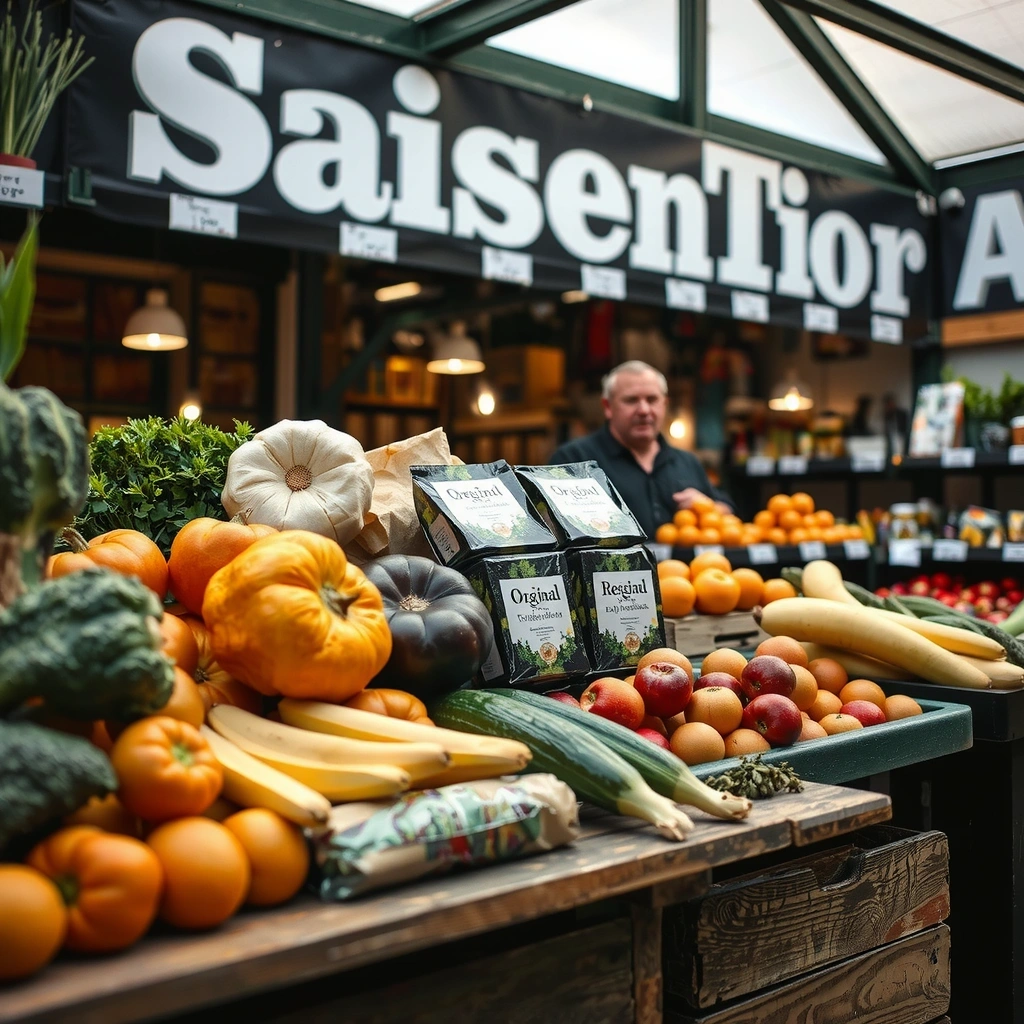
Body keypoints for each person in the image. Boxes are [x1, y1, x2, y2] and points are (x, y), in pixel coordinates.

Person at [549, 360, 733, 539]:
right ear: (607, 407)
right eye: (631, 400)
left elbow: (729, 514)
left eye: (652, 399)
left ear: (664, 405)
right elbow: (551, 528)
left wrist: (707, 507)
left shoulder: (687, 462)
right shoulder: (573, 459)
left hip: (692, 570)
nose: (644, 410)